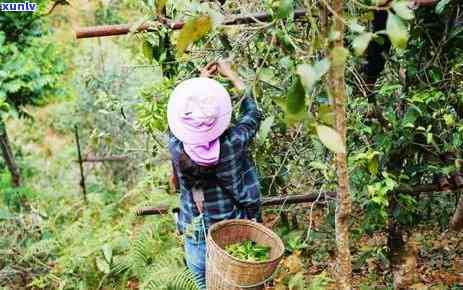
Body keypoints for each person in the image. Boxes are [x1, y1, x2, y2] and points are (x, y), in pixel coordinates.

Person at [167, 61, 262, 289]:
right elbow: (253, 113)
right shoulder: (232, 144)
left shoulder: (176, 146)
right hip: (232, 234)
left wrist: (201, 86)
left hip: (196, 236)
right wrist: (233, 78)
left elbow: (178, 122)